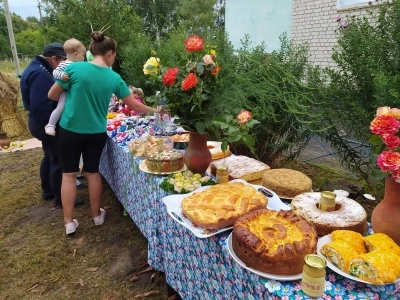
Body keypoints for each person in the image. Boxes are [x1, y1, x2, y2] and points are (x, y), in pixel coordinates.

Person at [48, 31, 158, 235]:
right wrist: (156, 110)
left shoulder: (74, 69)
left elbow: (52, 95)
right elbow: (135, 105)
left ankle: (69, 222)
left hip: (69, 129)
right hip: (95, 132)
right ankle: (97, 216)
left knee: (69, 175)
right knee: (92, 172)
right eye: (114, 56)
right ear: (110, 53)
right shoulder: (114, 77)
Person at [20, 43, 84, 209]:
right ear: (55, 59)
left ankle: (48, 190)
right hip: (44, 121)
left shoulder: (38, 68)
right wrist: (55, 124)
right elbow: (42, 104)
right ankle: (61, 198)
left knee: (49, 155)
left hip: (39, 121)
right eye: (63, 60)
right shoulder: (40, 73)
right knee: (58, 158)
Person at [45, 39, 87, 136]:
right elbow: (55, 72)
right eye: (83, 55)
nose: (84, 58)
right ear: (76, 54)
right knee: (61, 106)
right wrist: (62, 76)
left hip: (72, 90)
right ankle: (51, 125)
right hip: (64, 90)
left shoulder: (79, 64)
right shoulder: (65, 63)